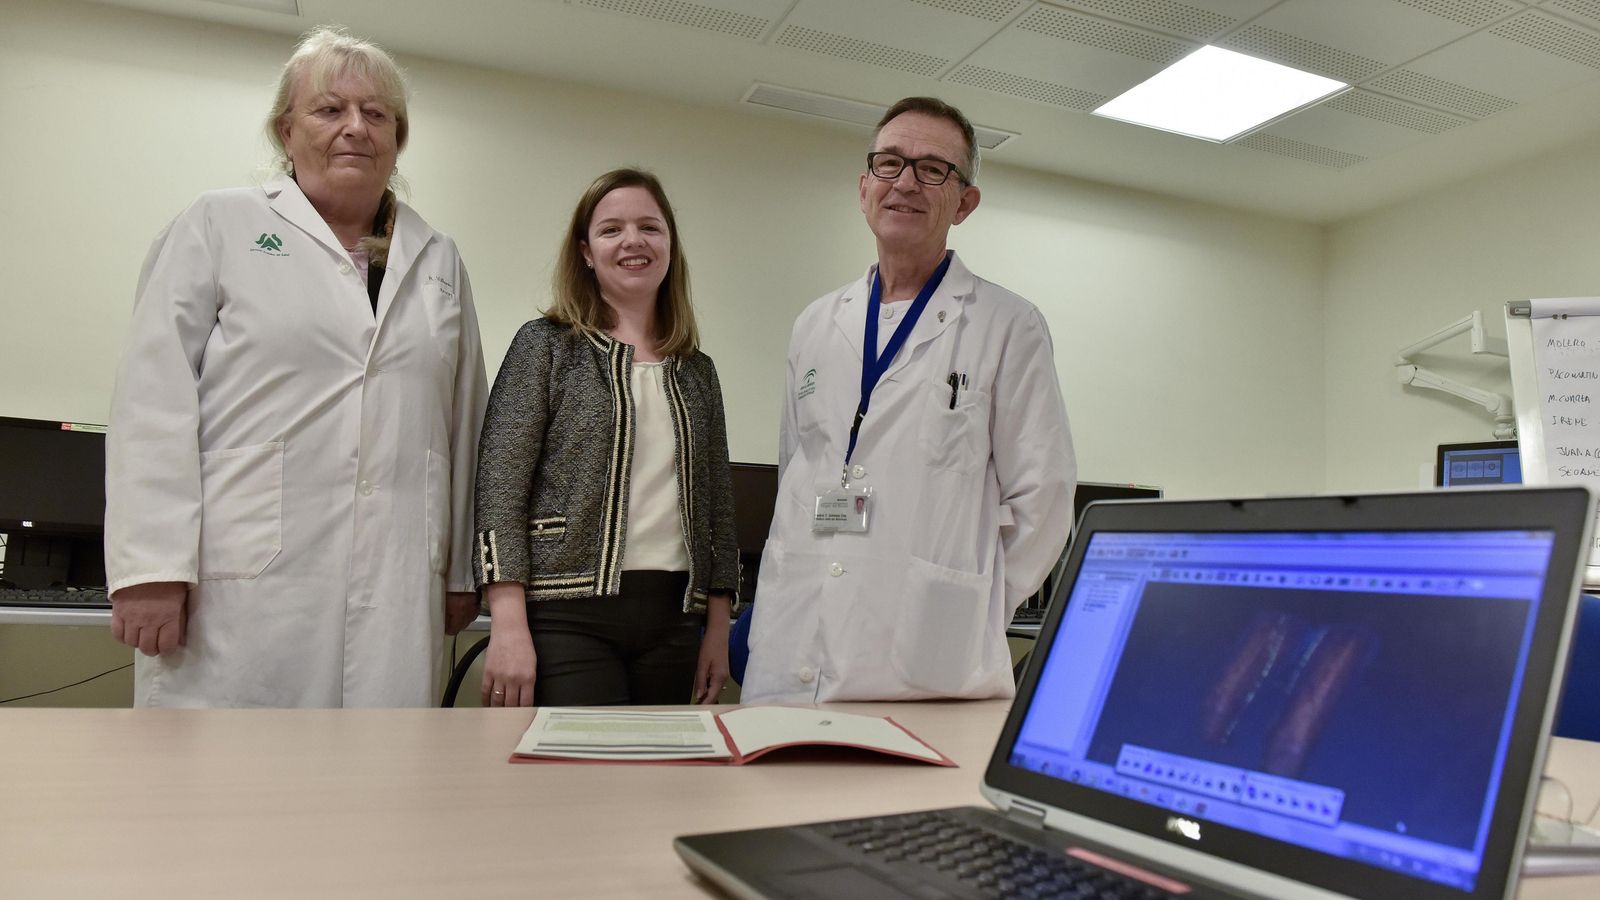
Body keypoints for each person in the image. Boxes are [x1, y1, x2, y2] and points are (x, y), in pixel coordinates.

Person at [104, 27, 487, 707]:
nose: (355, 128)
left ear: (398, 138)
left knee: (384, 764)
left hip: (400, 582)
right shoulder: (217, 226)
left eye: (376, 114)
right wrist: (150, 566)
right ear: (286, 131)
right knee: (228, 763)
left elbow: (464, 424)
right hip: (241, 583)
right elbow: (152, 400)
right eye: (329, 109)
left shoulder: (439, 258)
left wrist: (459, 569)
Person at [740, 97, 1076, 704]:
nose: (906, 182)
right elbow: (798, 470)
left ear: (964, 203)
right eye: (890, 163)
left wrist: (967, 612)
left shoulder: (1008, 325)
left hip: (925, 664)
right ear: (864, 186)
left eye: (933, 169)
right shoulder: (816, 323)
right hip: (794, 634)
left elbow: (1044, 499)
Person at [474, 168, 739, 707]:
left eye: (650, 227)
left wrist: (718, 628)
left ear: (670, 246)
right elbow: (500, 489)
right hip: (565, 615)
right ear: (586, 252)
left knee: (660, 764)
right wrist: (507, 622)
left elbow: (719, 509)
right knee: (583, 762)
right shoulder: (546, 347)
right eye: (611, 229)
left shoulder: (698, 371)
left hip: (675, 619)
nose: (633, 241)